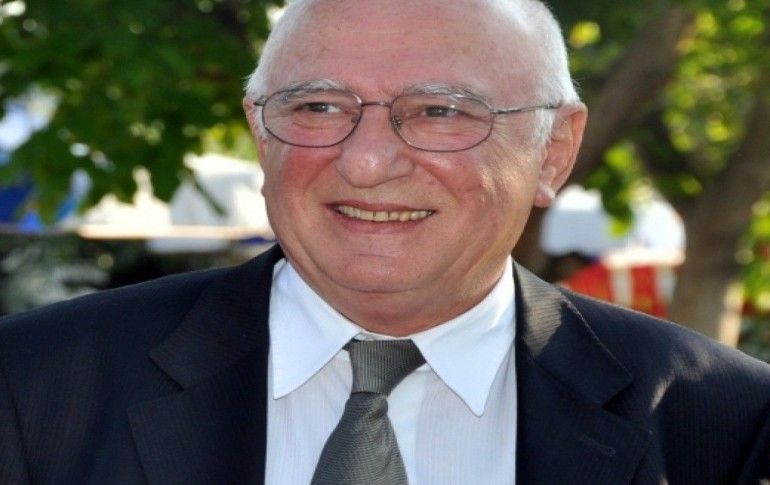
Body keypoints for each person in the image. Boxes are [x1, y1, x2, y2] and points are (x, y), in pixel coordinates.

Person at [1, 0, 769, 483]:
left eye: (440, 111)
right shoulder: (32, 388)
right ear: (259, 134)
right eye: (317, 106)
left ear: (555, 151)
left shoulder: (723, 422)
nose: (367, 162)